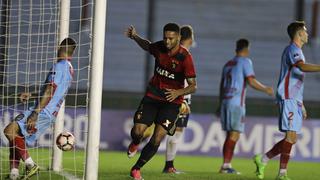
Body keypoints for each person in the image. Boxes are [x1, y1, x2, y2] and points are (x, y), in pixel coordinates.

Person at [125, 23, 197, 180]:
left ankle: (136, 169)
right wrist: (135, 37)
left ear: (178, 38)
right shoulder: (160, 47)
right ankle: (135, 142)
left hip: (172, 103)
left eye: (171, 38)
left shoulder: (186, 58)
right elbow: (148, 46)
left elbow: (193, 86)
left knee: (157, 137)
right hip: (152, 96)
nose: (167, 41)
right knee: (137, 132)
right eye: (165, 38)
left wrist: (178, 92)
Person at [253, 21, 320, 180]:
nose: (307, 33)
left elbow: (295, 80)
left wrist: (301, 103)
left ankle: (263, 159)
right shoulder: (292, 50)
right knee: (290, 137)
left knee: (292, 139)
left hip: (294, 99)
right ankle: (282, 174)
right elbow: (301, 67)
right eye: (305, 31)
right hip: (288, 98)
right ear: (299, 34)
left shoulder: (298, 51)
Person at [3, 37, 77, 180]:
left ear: (60, 48)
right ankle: (14, 174)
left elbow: (50, 90)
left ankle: (31, 165)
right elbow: (53, 91)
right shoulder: (69, 69)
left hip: (42, 110)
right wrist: (31, 95)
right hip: (50, 112)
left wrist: (35, 113)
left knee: (9, 131)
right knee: (17, 138)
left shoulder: (59, 66)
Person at [216, 38, 274, 174]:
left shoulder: (228, 64)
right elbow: (251, 81)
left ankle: (225, 165)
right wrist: (266, 89)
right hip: (236, 103)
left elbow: (221, 85)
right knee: (234, 134)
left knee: (229, 134)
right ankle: (226, 166)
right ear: (247, 49)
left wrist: (220, 103)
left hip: (225, 101)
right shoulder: (245, 61)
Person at [162, 25, 194, 174]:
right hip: (180, 97)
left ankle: (169, 165)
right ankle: (169, 166)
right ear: (190, 38)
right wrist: (184, 99)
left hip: (177, 96)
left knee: (170, 131)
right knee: (176, 132)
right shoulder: (183, 54)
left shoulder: (175, 52)